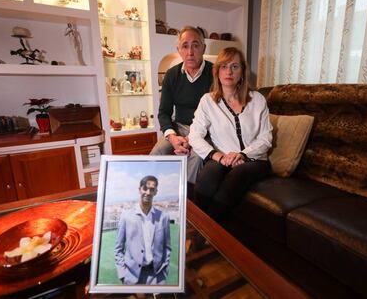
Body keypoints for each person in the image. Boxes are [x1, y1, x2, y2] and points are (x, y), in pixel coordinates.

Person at [188, 47, 273, 223]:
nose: (229, 71)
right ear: (217, 71)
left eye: (235, 66)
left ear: (242, 71)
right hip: (223, 158)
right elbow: (194, 136)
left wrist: (243, 154)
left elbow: (266, 138)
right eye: (224, 66)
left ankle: (205, 234)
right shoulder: (208, 101)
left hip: (255, 160)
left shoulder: (257, 99)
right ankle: (197, 227)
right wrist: (216, 156)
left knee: (236, 177)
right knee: (207, 175)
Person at [150, 26, 213, 184]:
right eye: (185, 46)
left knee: (197, 157)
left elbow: (217, 115)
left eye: (195, 45)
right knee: (158, 151)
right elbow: (164, 112)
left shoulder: (215, 74)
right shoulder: (171, 75)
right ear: (178, 50)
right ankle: (151, 194)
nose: (190, 52)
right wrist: (172, 137)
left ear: (203, 48)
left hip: (205, 131)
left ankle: (186, 201)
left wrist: (192, 138)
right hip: (178, 128)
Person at [114, 175, 171, 285]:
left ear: (156, 192)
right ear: (140, 189)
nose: (148, 192)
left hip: (157, 276)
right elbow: (118, 249)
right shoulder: (126, 216)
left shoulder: (163, 217)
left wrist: (164, 272)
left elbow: (167, 248)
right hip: (132, 277)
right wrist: (123, 275)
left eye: (152, 189)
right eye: (145, 188)